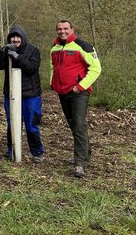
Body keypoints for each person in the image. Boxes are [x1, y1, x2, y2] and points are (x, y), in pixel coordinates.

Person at [50, 20, 102, 178]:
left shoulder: (83, 46)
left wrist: (80, 86)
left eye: (66, 28)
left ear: (72, 29)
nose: (62, 31)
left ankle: (79, 163)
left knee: (79, 124)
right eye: (59, 29)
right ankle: (85, 154)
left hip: (79, 93)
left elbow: (96, 68)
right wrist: (52, 83)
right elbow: (53, 67)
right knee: (74, 124)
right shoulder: (54, 48)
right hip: (63, 92)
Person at [0, 26, 44, 162]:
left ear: (23, 37)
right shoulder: (7, 50)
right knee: (12, 123)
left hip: (30, 95)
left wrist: (17, 57)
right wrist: (2, 54)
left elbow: (31, 69)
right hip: (11, 94)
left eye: (18, 37)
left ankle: (37, 152)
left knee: (31, 123)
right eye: (12, 37)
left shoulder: (33, 51)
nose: (15, 39)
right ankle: (12, 150)